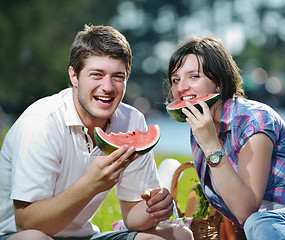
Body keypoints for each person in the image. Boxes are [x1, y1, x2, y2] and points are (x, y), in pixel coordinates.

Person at [0, 25, 193, 240]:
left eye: (118, 77)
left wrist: (154, 208)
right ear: (74, 76)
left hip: (85, 237)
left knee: (179, 235)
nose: (108, 87)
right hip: (18, 235)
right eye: (96, 75)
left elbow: (133, 218)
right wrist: (90, 185)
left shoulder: (132, 121)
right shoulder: (40, 124)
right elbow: (26, 223)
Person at [165, 36, 285, 239]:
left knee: (260, 221)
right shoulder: (200, 130)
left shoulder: (253, 118)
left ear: (218, 83)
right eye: (176, 79)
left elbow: (246, 210)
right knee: (261, 223)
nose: (181, 88)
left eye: (193, 77)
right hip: (274, 228)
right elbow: (234, 208)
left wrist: (211, 145)